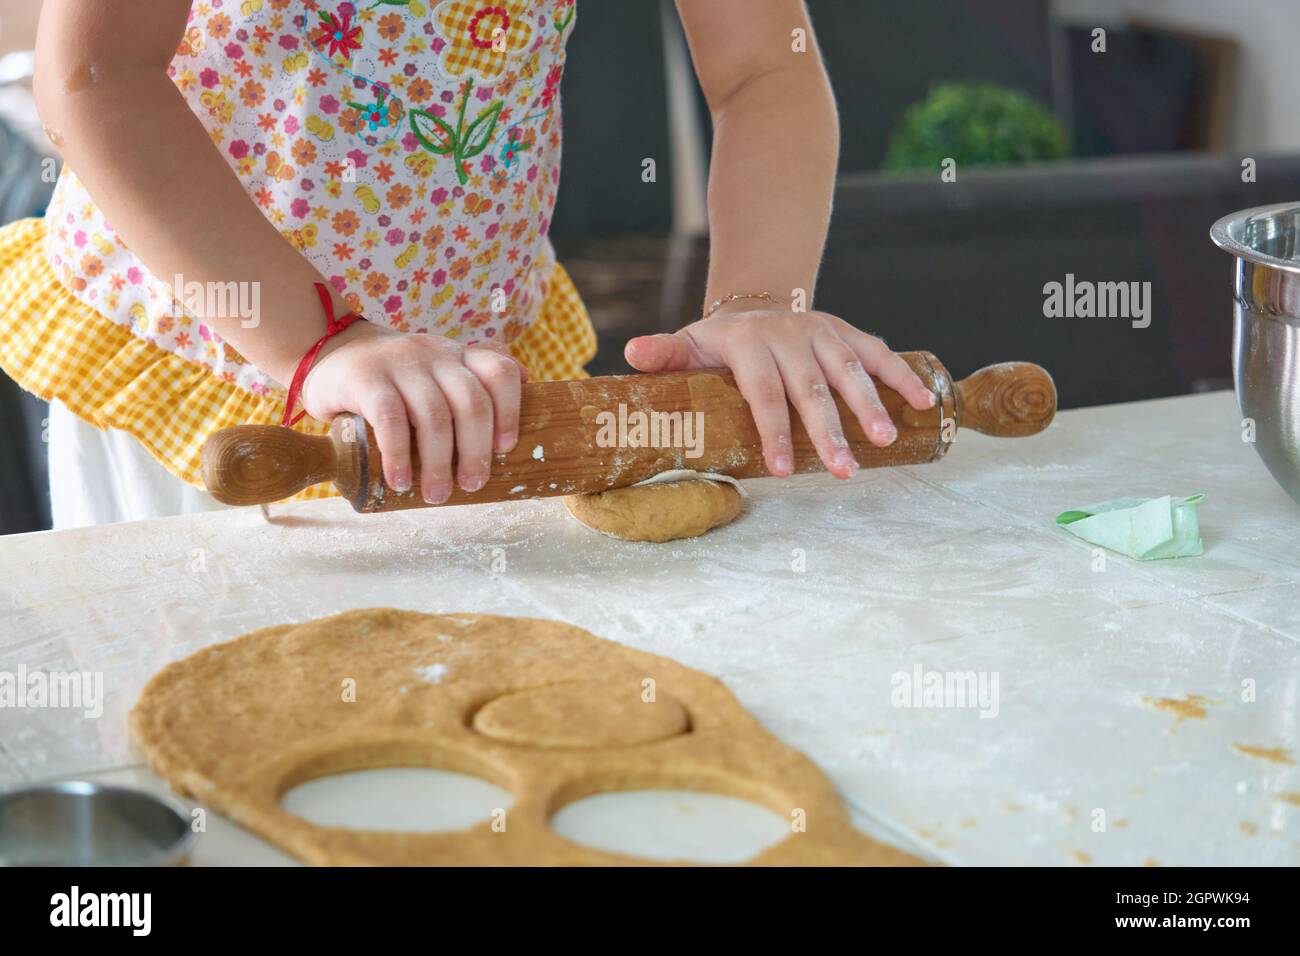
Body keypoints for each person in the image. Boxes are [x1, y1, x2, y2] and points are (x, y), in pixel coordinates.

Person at [0, 0, 934, 528]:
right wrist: (317, 345)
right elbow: (97, 76)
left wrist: (757, 297)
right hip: (206, 355)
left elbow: (766, 68)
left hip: (476, 380)